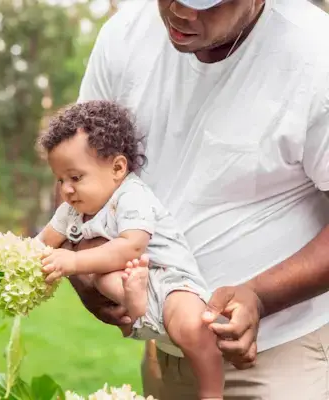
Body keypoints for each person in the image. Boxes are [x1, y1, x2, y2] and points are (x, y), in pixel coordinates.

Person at [58, 0, 329, 398]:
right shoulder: (124, 37)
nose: (181, 11)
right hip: (166, 354)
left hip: (278, 359)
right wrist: (83, 263)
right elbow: (75, 165)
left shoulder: (315, 55)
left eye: (206, 2)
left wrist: (260, 296)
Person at [37, 100, 224, 400]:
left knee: (194, 326)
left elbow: (131, 246)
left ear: (117, 168)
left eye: (75, 177)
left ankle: (212, 392)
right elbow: (42, 243)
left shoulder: (132, 195)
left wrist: (73, 260)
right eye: (60, 180)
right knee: (100, 275)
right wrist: (23, 263)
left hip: (171, 280)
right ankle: (135, 303)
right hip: (130, 284)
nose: (66, 190)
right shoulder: (71, 210)